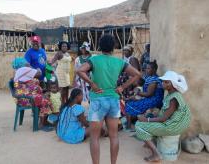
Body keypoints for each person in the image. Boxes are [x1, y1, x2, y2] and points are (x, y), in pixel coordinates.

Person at [77, 34, 141, 164]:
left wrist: (92, 84)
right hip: (113, 100)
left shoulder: (94, 60)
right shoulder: (119, 62)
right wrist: (122, 87)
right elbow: (137, 74)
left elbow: (80, 71)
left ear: (100, 46)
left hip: (98, 100)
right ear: (113, 47)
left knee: (94, 138)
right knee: (114, 136)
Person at [135, 71, 191, 162]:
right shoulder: (171, 94)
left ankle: (156, 154)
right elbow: (166, 113)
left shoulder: (174, 98)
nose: (162, 83)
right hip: (174, 123)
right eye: (163, 81)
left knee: (139, 126)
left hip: (173, 126)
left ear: (172, 84)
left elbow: (164, 118)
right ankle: (150, 142)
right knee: (149, 116)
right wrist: (152, 115)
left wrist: (146, 119)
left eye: (166, 82)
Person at [12, 57, 52, 128]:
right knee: (47, 100)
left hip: (20, 99)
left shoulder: (17, 71)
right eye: (26, 62)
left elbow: (17, 87)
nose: (27, 63)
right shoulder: (24, 69)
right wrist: (36, 68)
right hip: (28, 99)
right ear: (23, 63)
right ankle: (42, 123)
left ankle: (43, 120)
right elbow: (39, 73)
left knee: (44, 96)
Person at [125, 60, 164, 131]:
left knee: (130, 104)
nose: (146, 70)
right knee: (130, 100)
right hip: (150, 98)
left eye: (148, 68)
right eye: (146, 68)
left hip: (154, 100)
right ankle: (130, 123)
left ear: (154, 70)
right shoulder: (149, 77)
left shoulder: (154, 80)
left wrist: (137, 92)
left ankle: (128, 125)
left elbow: (149, 94)